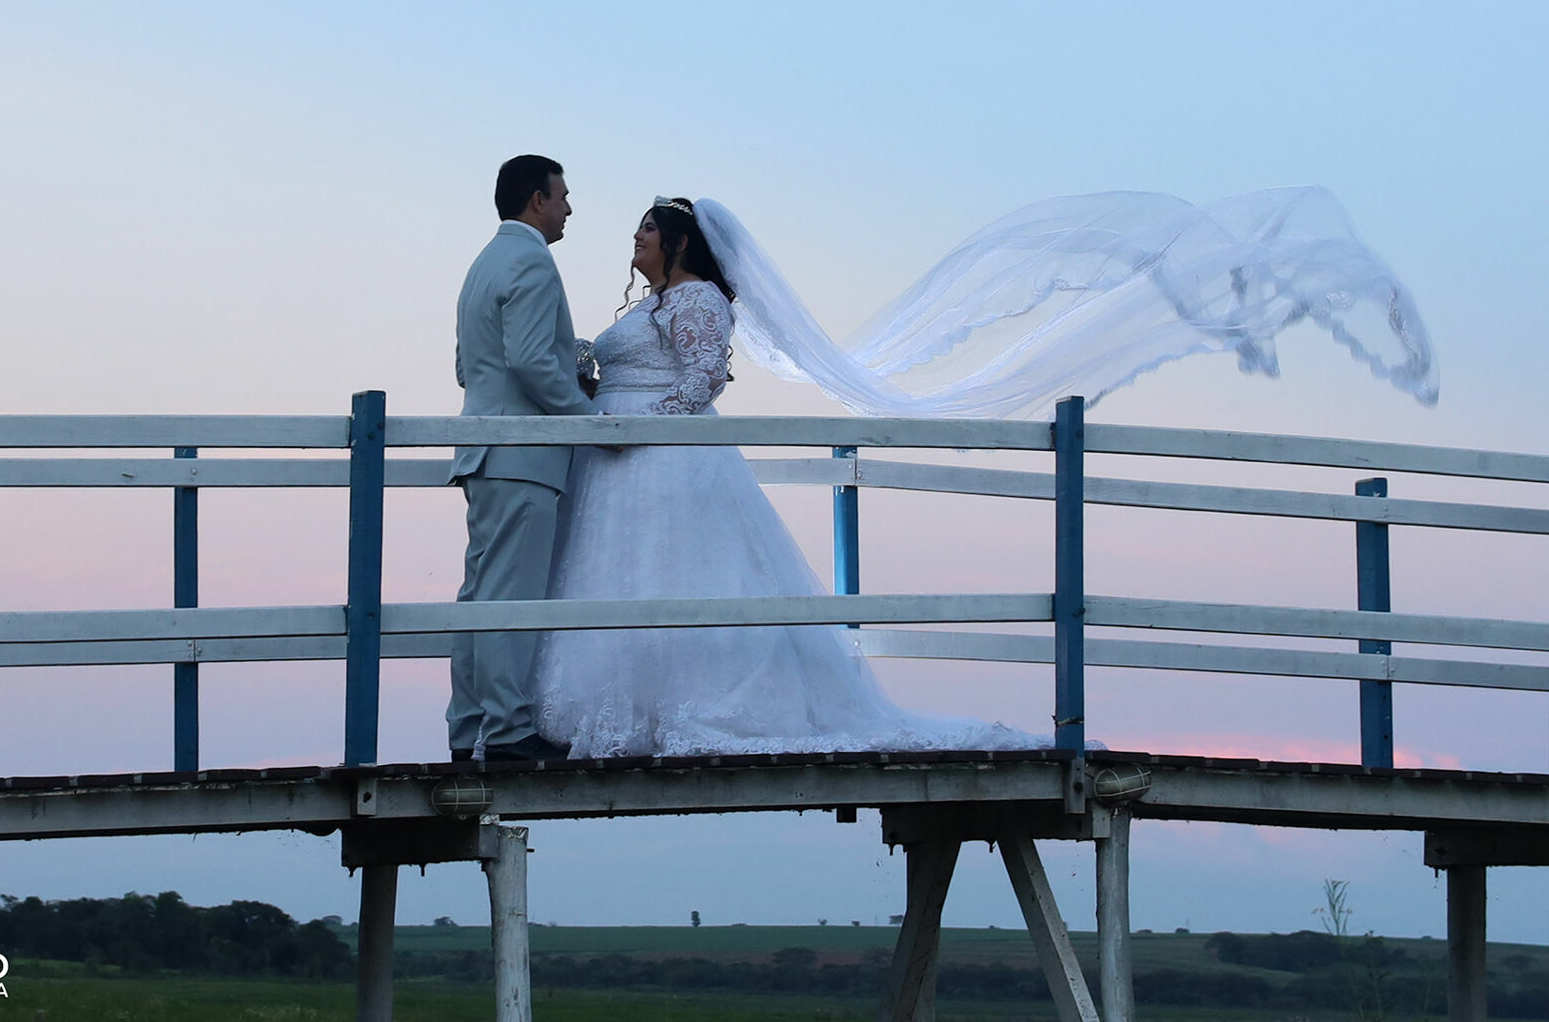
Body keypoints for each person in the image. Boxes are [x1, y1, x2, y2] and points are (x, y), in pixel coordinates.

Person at [531, 191, 1436, 758]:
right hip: (625, 461)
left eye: (648, 227)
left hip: (661, 464)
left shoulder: (695, 299)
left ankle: (672, 713)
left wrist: (631, 427)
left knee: (677, 582)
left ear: (680, 244)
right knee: (630, 588)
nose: (635, 236)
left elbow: (701, 383)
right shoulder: (656, 302)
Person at [447, 154, 598, 763]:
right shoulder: (533, 260)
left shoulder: (483, 263)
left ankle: (467, 732)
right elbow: (533, 361)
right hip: (523, 454)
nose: (568, 208)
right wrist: (588, 419)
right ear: (537, 199)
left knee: (480, 596)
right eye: (563, 196)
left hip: (482, 448)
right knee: (511, 595)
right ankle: (509, 732)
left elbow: (468, 367)